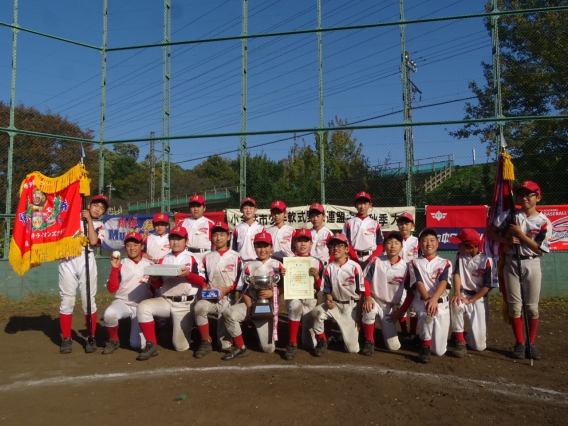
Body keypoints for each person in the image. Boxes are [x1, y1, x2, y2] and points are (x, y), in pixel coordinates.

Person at [487, 180, 552, 360]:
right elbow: (491, 233)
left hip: (532, 263)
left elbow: (540, 249)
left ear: (538, 197)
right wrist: (507, 241)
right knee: (515, 307)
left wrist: (521, 235)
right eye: (521, 194)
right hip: (511, 262)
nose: (524, 198)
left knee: (531, 308)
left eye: (529, 194)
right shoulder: (510, 215)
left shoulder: (543, 221)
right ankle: (519, 343)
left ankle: (531, 343)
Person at [136, 226, 204, 361]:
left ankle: (190, 329)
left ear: (186, 240)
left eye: (179, 239)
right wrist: (155, 279)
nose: (175, 242)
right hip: (166, 301)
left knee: (180, 347)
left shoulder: (193, 258)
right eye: (173, 238)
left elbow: (202, 280)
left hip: (185, 303)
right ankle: (152, 345)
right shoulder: (163, 259)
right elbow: (157, 285)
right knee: (143, 307)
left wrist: (188, 275)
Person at [388, 228, 452, 364]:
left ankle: (431, 344)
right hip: (424, 301)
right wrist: (429, 300)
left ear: (437, 243)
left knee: (440, 351)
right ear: (420, 244)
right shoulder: (413, 263)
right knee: (425, 315)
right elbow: (418, 282)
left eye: (432, 240)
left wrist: (434, 299)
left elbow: (444, 282)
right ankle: (424, 347)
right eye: (424, 240)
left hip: (442, 304)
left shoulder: (445, 262)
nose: (428, 243)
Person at [221, 231, 284, 360]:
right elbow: (244, 290)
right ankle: (240, 347)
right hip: (252, 303)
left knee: (268, 349)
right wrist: (250, 309)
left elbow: (285, 288)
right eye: (259, 246)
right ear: (254, 248)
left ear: (271, 247)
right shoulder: (248, 266)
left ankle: (259, 333)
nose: (262, 250)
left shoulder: (278, 265)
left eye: (265, 246)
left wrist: (273, 292)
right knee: (228, 313)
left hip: (269, 307)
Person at [59, 194, 109, 354]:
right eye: (96, 205)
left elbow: (94, 242)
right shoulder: (72, 216)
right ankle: (66, 338)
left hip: (86, 257)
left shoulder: (100, 225)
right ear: (90, 204)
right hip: (67, 258)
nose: (98, 209)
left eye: (102, 208)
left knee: (88, 300)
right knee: (67, 299)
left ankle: (90, 337)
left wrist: (88, 221)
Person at [189, 222, 242, 358]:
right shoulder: (207, 257)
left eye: (222, 234)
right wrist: (204, 286)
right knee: (199, 307)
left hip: (228, 299)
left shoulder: (236, 257)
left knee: (224, 345)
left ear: (229, 236)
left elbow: (242, 283)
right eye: (215, 235)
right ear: (211, 237)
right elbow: (203, 279)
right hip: (211, 297)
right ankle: (205, 340)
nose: (218, 238)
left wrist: (228, 289)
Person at [311, 233, 364, 356]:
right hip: (335, 305)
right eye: (333, 245)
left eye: (340, 245)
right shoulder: (328, 268)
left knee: (352, 349)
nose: (336, 248)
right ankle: (322, 339)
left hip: (351, 307)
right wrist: (329, 300)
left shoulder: (355, 267)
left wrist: (359, 316)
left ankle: (350, 334)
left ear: (347, 249)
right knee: (316, 312)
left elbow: (361, 293)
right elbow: (327, 291)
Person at [102, 232, 154, 354]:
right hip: (123, 302)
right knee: (109, 314)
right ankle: (113, 340)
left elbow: (156, 288)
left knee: (137, 345)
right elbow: (112, 288)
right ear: (124, 247)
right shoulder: (121, 264)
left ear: (142, 246)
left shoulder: (150, 265)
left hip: (142, 307)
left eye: (135, 244)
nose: (132, 248)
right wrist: (114, 268)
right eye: (129, 245)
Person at [360, 231, 409, 356]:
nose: (392, 246)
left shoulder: (406, 267)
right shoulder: (376, 260)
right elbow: (365, 280)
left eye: (396, 243)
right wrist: (368, 297)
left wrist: (401, 311)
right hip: (375, 299)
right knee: (369, 310)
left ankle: (381, 334)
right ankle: (369, 341)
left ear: (401, 247)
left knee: (394, 346)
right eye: (389, 242)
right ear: (384, 246)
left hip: (389, 307)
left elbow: (410, 292)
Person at [448, 228, 493, 358]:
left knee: (479, 346)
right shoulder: (460, 255)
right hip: (463, 293)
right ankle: (460, 340)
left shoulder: (487, 259)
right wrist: (457, 293)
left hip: (479, 297)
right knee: (456, 305)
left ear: (471, 247)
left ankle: (465, 335)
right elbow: (457, 274)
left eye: (461, 243)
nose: (458, 245)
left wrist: (471, 300)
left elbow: (488, 286)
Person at [284, 228, 325, 360]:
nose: (302, 244)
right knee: (295, 307)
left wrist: (317, 277)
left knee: (309, 344)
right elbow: (285, 285)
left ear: (311, 244)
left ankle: (322, 340)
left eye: (305, 241)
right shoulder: (288, 262)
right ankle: (292, 342)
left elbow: (320, 288)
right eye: (299, 241)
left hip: (310, 297)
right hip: (295, 296)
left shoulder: (317, 262)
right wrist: (283, 275)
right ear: (294, 243)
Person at [342, 192, 383, 270]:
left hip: (371, 257)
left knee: (371, 282)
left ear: (370, 205)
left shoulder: (374, 223)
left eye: (365, 203)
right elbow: (346, 244)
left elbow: (380, 245)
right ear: (355, 205)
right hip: (354, 258)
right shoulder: (349, 223)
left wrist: (369, 260)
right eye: (360, 203)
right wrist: (355, 260)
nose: (362, 206)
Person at [396, 212, 419, 342]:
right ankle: (404, 332)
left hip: (414, 278)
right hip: (398, 277)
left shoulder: (417, 242)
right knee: (401, 304)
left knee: (414, 306)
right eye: (401, 223)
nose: (404, 226)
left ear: (412, 225)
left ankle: (413, 333)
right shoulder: (394, 240)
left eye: (407, 223)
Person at [231, 197, 265, 262]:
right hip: (241, 262)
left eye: (251, 208)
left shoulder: (261, 228)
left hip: (257, 262)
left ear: (255, 209)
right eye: (245, 208)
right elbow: (233, 249)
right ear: (241, 210)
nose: (248, 210)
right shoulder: (237, 229)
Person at [180, 194, 214, 259]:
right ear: (189, 208)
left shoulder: (210, 223)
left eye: (198, 206)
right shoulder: (182, 223)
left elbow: (215, 243)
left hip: (204, 254)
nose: (195, 209)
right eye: (193, 206)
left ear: (204, 208)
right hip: (187, 254)